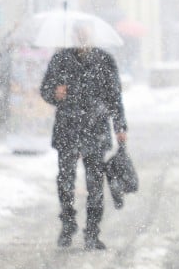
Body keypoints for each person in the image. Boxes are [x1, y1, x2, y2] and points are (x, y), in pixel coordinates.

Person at [39, 23, 128, 250]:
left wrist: (120, 126)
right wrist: (54, 93)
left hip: (95, 128)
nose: (81, 38)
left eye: (85, 33)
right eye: (77, 34)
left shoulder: (104, 60)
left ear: (91, 35)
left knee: (95, 184)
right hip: (67, 128)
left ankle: (92, 231)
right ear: (72, 36)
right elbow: (45, 89)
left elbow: (114, 96)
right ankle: (68, 223)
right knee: (65, 181)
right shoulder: (60, 60)